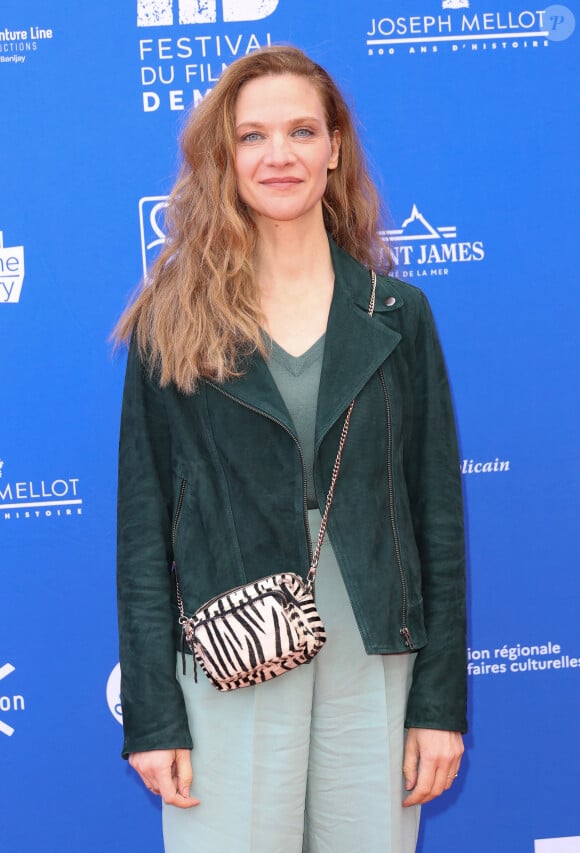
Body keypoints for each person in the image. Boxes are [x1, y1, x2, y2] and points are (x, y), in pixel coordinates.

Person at [114, 45, 467, 853]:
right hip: (229, 649)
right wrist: (154, 716)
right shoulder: (173, 319)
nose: (280, 155)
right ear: (224, 158)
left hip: (373, 653)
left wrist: (439, 704)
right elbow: (142, 532)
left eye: (302, 131)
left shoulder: (398, 314)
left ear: (334, 147)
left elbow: (436, 518)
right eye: (253, 136)